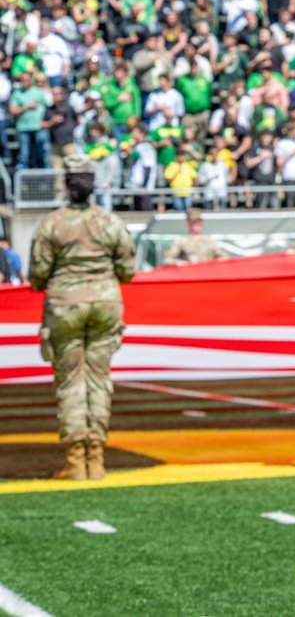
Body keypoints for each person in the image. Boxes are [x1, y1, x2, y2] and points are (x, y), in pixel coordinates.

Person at [28, 155, 136, 480]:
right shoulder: (110, 221)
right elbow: (128, 271)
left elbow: (38, 274)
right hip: (106, 305)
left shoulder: (52, 223)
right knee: (99, 378)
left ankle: (76, 459)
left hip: (65, 307)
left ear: (67, 183)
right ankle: (97, 457)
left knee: (71, 380)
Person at [162, 208, 228, 266]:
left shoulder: (209, 240)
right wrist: (179, 263)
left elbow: (224, 258)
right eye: (194, 221)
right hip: (189, 276)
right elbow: (167, 260)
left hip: (207, 275)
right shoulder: (181, 241)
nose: (197, 224)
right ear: (187, 222)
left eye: (199, 221)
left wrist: (216, 262)